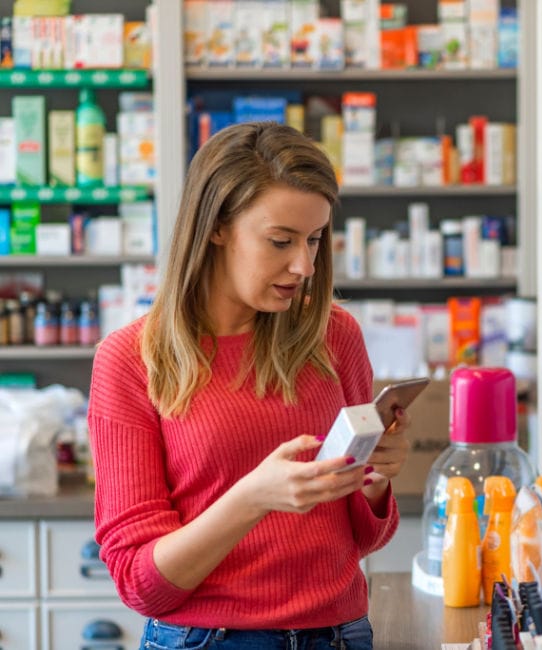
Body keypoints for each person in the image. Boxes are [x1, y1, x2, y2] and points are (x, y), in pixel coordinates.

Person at [88, 121, 411, 650]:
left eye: (314, 239)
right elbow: (139, 582)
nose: (304, 265)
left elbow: (363, 539)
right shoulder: (131, 360)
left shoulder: (334, 335)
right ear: (216, 225)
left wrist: (375, 477)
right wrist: (252, 499)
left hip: (340, 633)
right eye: (280, 241)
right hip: (207, 638)